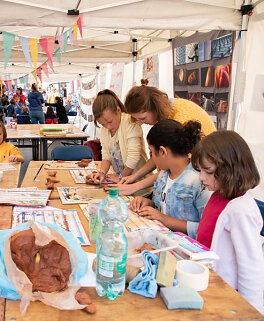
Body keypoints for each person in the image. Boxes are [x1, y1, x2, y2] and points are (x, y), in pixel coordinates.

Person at [191, 131, 264, 314]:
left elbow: (251, 268)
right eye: (200, 171)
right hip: (209, 286)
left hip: (228, 298)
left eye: (208, 172)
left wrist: (250, 312)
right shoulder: (218, 195)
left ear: (231, 170)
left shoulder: (240, 210)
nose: (201, 177)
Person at [113, 85, 216, 195]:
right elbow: (159, 155)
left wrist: (135, 187)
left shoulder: (180, 119)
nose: (140, 123)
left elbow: (175, 166)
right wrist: (134, 177)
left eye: (142, 118)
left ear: (155, 108)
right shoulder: (164, 113)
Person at [129, 119, 211, 239]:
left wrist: (162, 218)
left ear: (163, 151)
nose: (152, 158)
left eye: (151, 152)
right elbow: (164, 207)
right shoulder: (163, 176)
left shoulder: (199, 182)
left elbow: (206, 229)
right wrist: (149, 204)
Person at [86, 90, 150, 196]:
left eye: (110, 122)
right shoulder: (104, 130)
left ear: (118, 110)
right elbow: (106, 155)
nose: (108, 127)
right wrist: (102, 173)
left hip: (140, 189)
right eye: (103, 124)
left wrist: (120, 176)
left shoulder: (130, 123)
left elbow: (134, 157)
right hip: (122, 187)